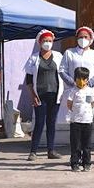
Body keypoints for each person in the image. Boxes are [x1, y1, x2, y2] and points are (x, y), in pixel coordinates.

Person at [24, 29, 64, 161]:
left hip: (55, 94)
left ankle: (51, 150)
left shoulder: (58, 56)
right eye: (45, 41)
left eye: (50, 41)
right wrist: (32, 95)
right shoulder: (34, 58)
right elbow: (29, 79)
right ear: (39, 42)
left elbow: (63, 74)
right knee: (39, 123)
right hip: (40, 95)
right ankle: (33, 151)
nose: (47, 43)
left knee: (51, 123)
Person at [66, 67, 94, 172]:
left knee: (86, 145)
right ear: (75, 79)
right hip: (75, 122)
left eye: (84, 79)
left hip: (87, 122)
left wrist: (86, 113)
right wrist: (76, 113)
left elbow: (91, 104)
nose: (81, 81)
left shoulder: (89, 91)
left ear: (87, 79)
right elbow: (69, 104)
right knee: (76, 144)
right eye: (79, 78)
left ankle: (87, 163)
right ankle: (75, 163)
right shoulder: (73, 91)